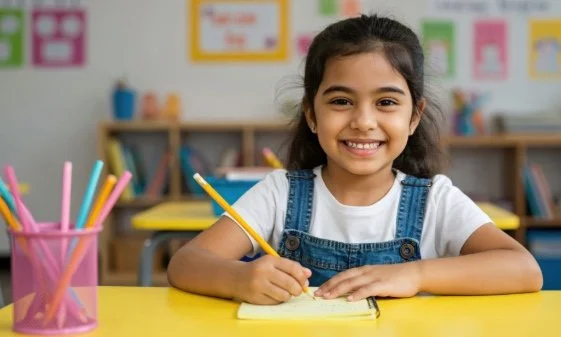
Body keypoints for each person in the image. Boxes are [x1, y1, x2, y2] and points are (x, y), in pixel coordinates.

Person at [167, 14, 542, 305]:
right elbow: (186, 263)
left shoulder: (435, 200)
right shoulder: (280, 192)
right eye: (341, 101)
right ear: (312, 115)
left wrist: (416, 275)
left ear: (414, 117)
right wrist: (238, 280)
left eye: (387, 102)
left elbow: (524, 270)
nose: (363, 122)